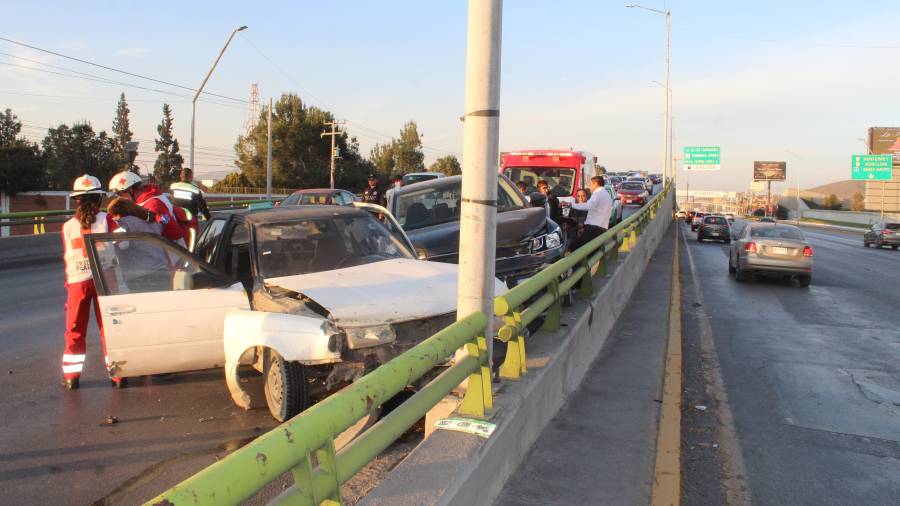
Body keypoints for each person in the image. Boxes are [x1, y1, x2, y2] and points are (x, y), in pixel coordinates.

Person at [60, 175, 121, 390]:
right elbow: (125, 245)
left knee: (75, 329)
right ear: (99, 200)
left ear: (77, 201)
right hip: (104, 280)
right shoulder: (108, 220)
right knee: (110, 328)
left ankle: (72, 378)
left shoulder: (68, 226)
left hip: (78, 283)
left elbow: (67, 255)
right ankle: (119, 376)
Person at [108, 171, 187, 247]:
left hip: (171, 251)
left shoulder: (153, 204)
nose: (119, 198)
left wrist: (159, 218)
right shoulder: (143, 201)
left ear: (130, 190)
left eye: (120, 194)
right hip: (162, 248)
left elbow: (168, 222)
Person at [568, 176, 613, 252]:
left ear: (595, 184)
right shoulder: (607, 194)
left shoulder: (597, 193)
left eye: (590, 184)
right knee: (592, 252)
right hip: (602, 228)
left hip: (593, 228)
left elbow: (588, 206)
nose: (589, 187)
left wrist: (571, 204)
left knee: (578, 249)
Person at [170, 167, 210, 249]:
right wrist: (209, 219)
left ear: (181, 176)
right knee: (191, 247)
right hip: (190, 222)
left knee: (175, 246)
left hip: (175, 220)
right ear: (191, 177)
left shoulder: (173, 187)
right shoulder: (195, 189)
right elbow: (202, 206)